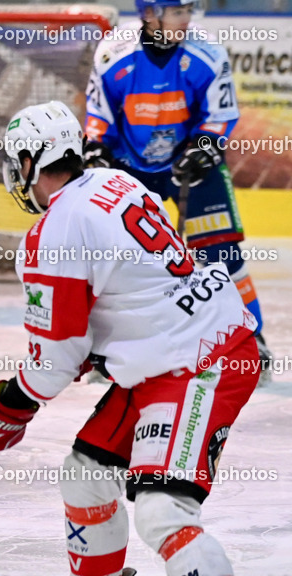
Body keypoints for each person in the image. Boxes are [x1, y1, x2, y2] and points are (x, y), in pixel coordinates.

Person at [0, 101, 275, 576]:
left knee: (163, 508)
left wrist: (7, 402)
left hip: (198, 359)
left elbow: (54, 362)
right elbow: (127, 293)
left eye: (16, 164)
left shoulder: (54, 230)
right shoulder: (113, 181)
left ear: (32, 163)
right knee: (85, 472)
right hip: (174, 349)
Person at [84, 0, 272, 383]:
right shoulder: (113, 54)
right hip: (129, 165)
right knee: (116, 258)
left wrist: (204, 147)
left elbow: (219, 115)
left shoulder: (206, 53)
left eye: (189, 10)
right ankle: (113, 348)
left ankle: (252, 341)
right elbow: (99, 116)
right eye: (177, 12)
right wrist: (97, 149)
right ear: (150, 14)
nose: (186, 20)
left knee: (222, 255)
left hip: (189, 163)